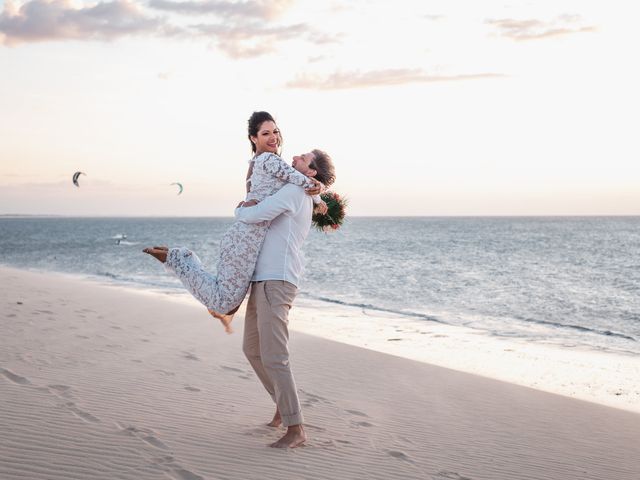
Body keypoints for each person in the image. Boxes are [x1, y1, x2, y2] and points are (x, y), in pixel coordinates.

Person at [143, 112, 326, 332]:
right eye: (265, 133)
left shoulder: (259, 162)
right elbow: (301, 181)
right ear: (253, 138)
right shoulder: (269, 159)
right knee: (224, 302)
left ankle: (180, 258)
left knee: (228, 303)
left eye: (275, 131)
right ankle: (178, 258)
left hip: (245, 237)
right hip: (246, 239)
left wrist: (317, 193)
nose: (273, 137)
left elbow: (295, 182)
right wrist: (320, 193)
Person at [237, 148, 336, 448]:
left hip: (276, 279)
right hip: (264, 279)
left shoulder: (295, 191)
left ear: (311, 171)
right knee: (252, 349)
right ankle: (282, 404)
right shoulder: (303, 190)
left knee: (275, 356)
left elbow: (257, 214)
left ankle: (296, 429)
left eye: (302, 158)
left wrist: (240, 208)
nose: (293, 158)